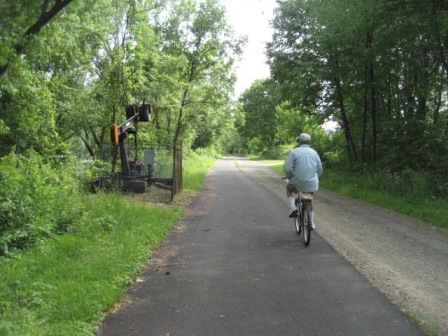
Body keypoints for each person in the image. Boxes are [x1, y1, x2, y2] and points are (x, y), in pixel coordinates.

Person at [284, 133, 323, 229]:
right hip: (311, 183)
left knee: (289, 188)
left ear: (300, 141)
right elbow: (319, 170)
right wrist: (314, 178)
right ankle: (312, 223)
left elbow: (288, 169)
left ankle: (293, 207)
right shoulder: (314, 152)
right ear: (309, 142)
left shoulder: (294, 152)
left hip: (297, 181)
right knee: (309, 198)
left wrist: (289, 177)